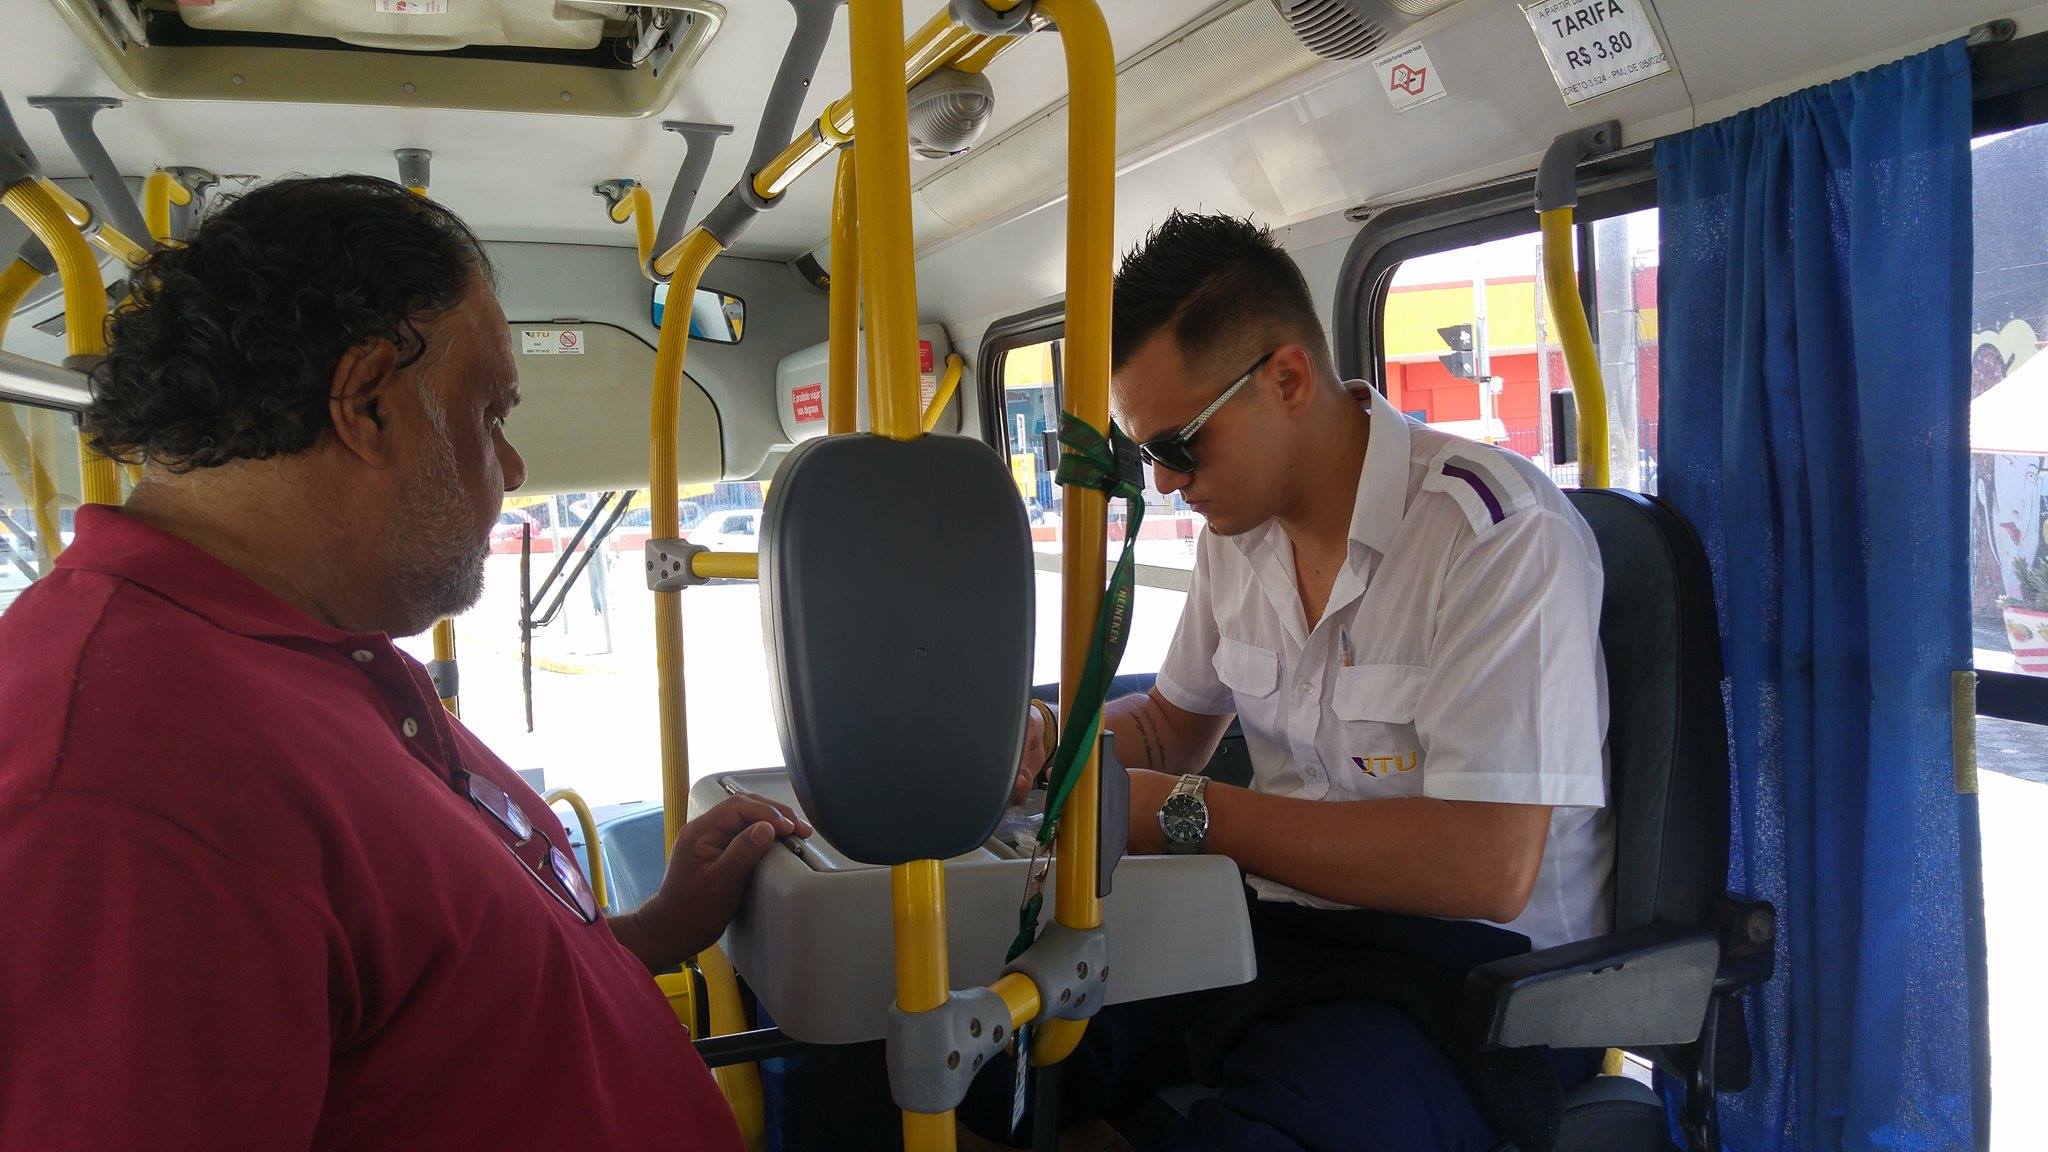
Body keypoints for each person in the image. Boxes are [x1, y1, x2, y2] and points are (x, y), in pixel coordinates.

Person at [0, 175, 807, 1150]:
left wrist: (646, 935)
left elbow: (439, 1008)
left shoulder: (302, 651)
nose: (509, 469)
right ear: (366, 404)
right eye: (488, 412)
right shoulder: (124, 787)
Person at [991, 211, 1614, 1152]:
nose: (1165, 485)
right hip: (1275, 935)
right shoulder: (1235, 541)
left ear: (1285, 379)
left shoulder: (1492, 534)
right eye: (1149, 453)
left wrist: (1188, 812)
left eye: (1180, 447)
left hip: (1476, 985)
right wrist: (1057, 746)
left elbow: (1485, 865)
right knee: (1003, 1055)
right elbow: (1170, 725)